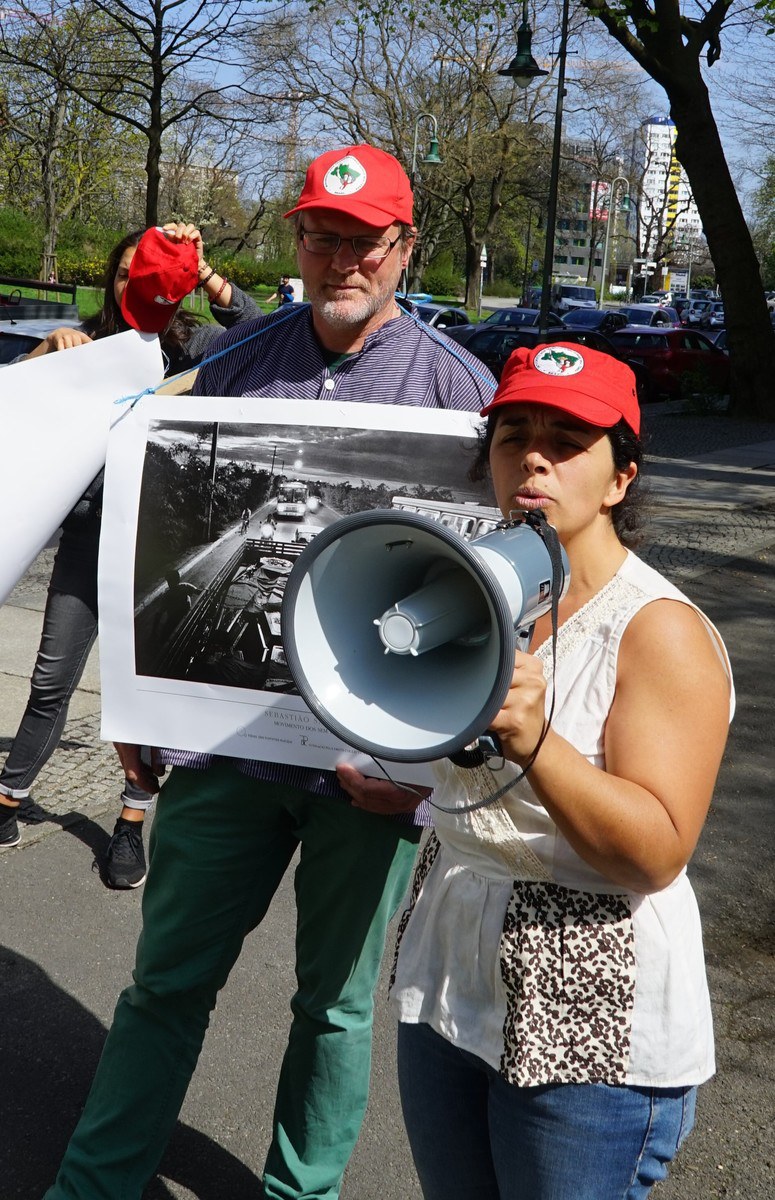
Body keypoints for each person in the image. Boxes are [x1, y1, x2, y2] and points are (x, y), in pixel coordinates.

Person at [44, 144, 497, 1200]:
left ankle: (302, 1191)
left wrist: (436, 769)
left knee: (334, 1006)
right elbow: (161, 545)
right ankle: (93, 1185)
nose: (341, 259)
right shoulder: (232, 366)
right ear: (297, 239)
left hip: (371, 772)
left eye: (364, 241)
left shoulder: (462, 394)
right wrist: (138, 697)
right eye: (321, 235)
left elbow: (497, 600)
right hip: (224, 754)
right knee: (164, 985)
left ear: (404, 247)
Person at [375, 343, 734, 1200]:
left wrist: (537, 746)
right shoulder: (473, 586)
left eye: (567, 440)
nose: (533, 456)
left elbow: (653, 852)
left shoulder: (658, 632)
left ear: (619, 479)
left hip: (586, 1008)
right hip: (452, 970)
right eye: (513, 435)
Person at [0, 223, 259, 892]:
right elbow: (18, 407)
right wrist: (42, 354)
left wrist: (198, 271)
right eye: (121, 274)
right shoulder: (84, 342)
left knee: (141, 689)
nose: (130, 285)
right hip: (88, 540)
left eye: (142, 273)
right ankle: (7, 798)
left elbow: (260, 327)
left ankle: (129, 823)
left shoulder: (199, 345)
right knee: (52, 679)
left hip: (164, 546)